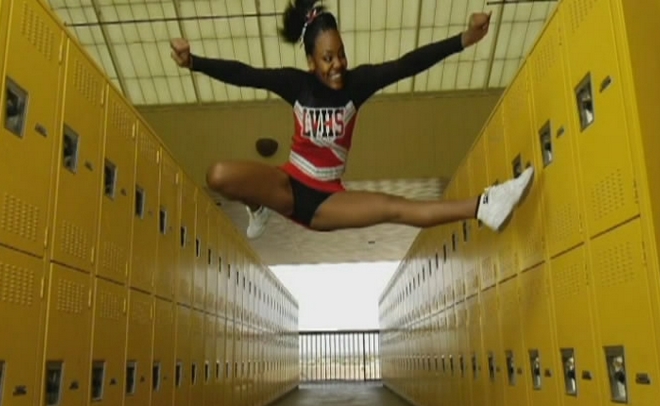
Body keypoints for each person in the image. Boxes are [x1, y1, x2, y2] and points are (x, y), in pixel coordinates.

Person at [170, 0, 534, 239]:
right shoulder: (296, 85)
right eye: (328, 58)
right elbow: (245, 74)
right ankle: (258, 207)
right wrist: (194, 62)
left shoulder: (356, 84)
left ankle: (486, 204)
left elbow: (407, 64)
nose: (338, 65)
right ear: (311, 62)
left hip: (327, 198)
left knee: (396, 209)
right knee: (218, 175)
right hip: (290, 183)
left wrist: (465, 38)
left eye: (341, 54)